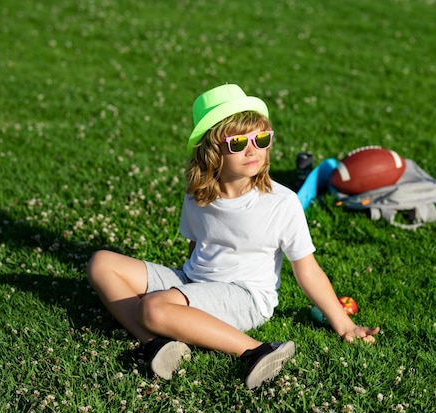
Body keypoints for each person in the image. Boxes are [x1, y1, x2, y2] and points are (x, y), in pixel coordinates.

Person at [86, 84, 380, 389]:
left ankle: (257, 350)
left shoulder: (282, 202)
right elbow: (195, 244)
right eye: (238, 142)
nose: (253, 149)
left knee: (152, 307)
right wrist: (185, 292)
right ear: (211, 150)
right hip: (195, 281)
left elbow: (307, 270)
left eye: (261, 139)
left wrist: (345, 324)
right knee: (101, 263)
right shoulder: (198, 195)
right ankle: (156, 344)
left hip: (246, 296)